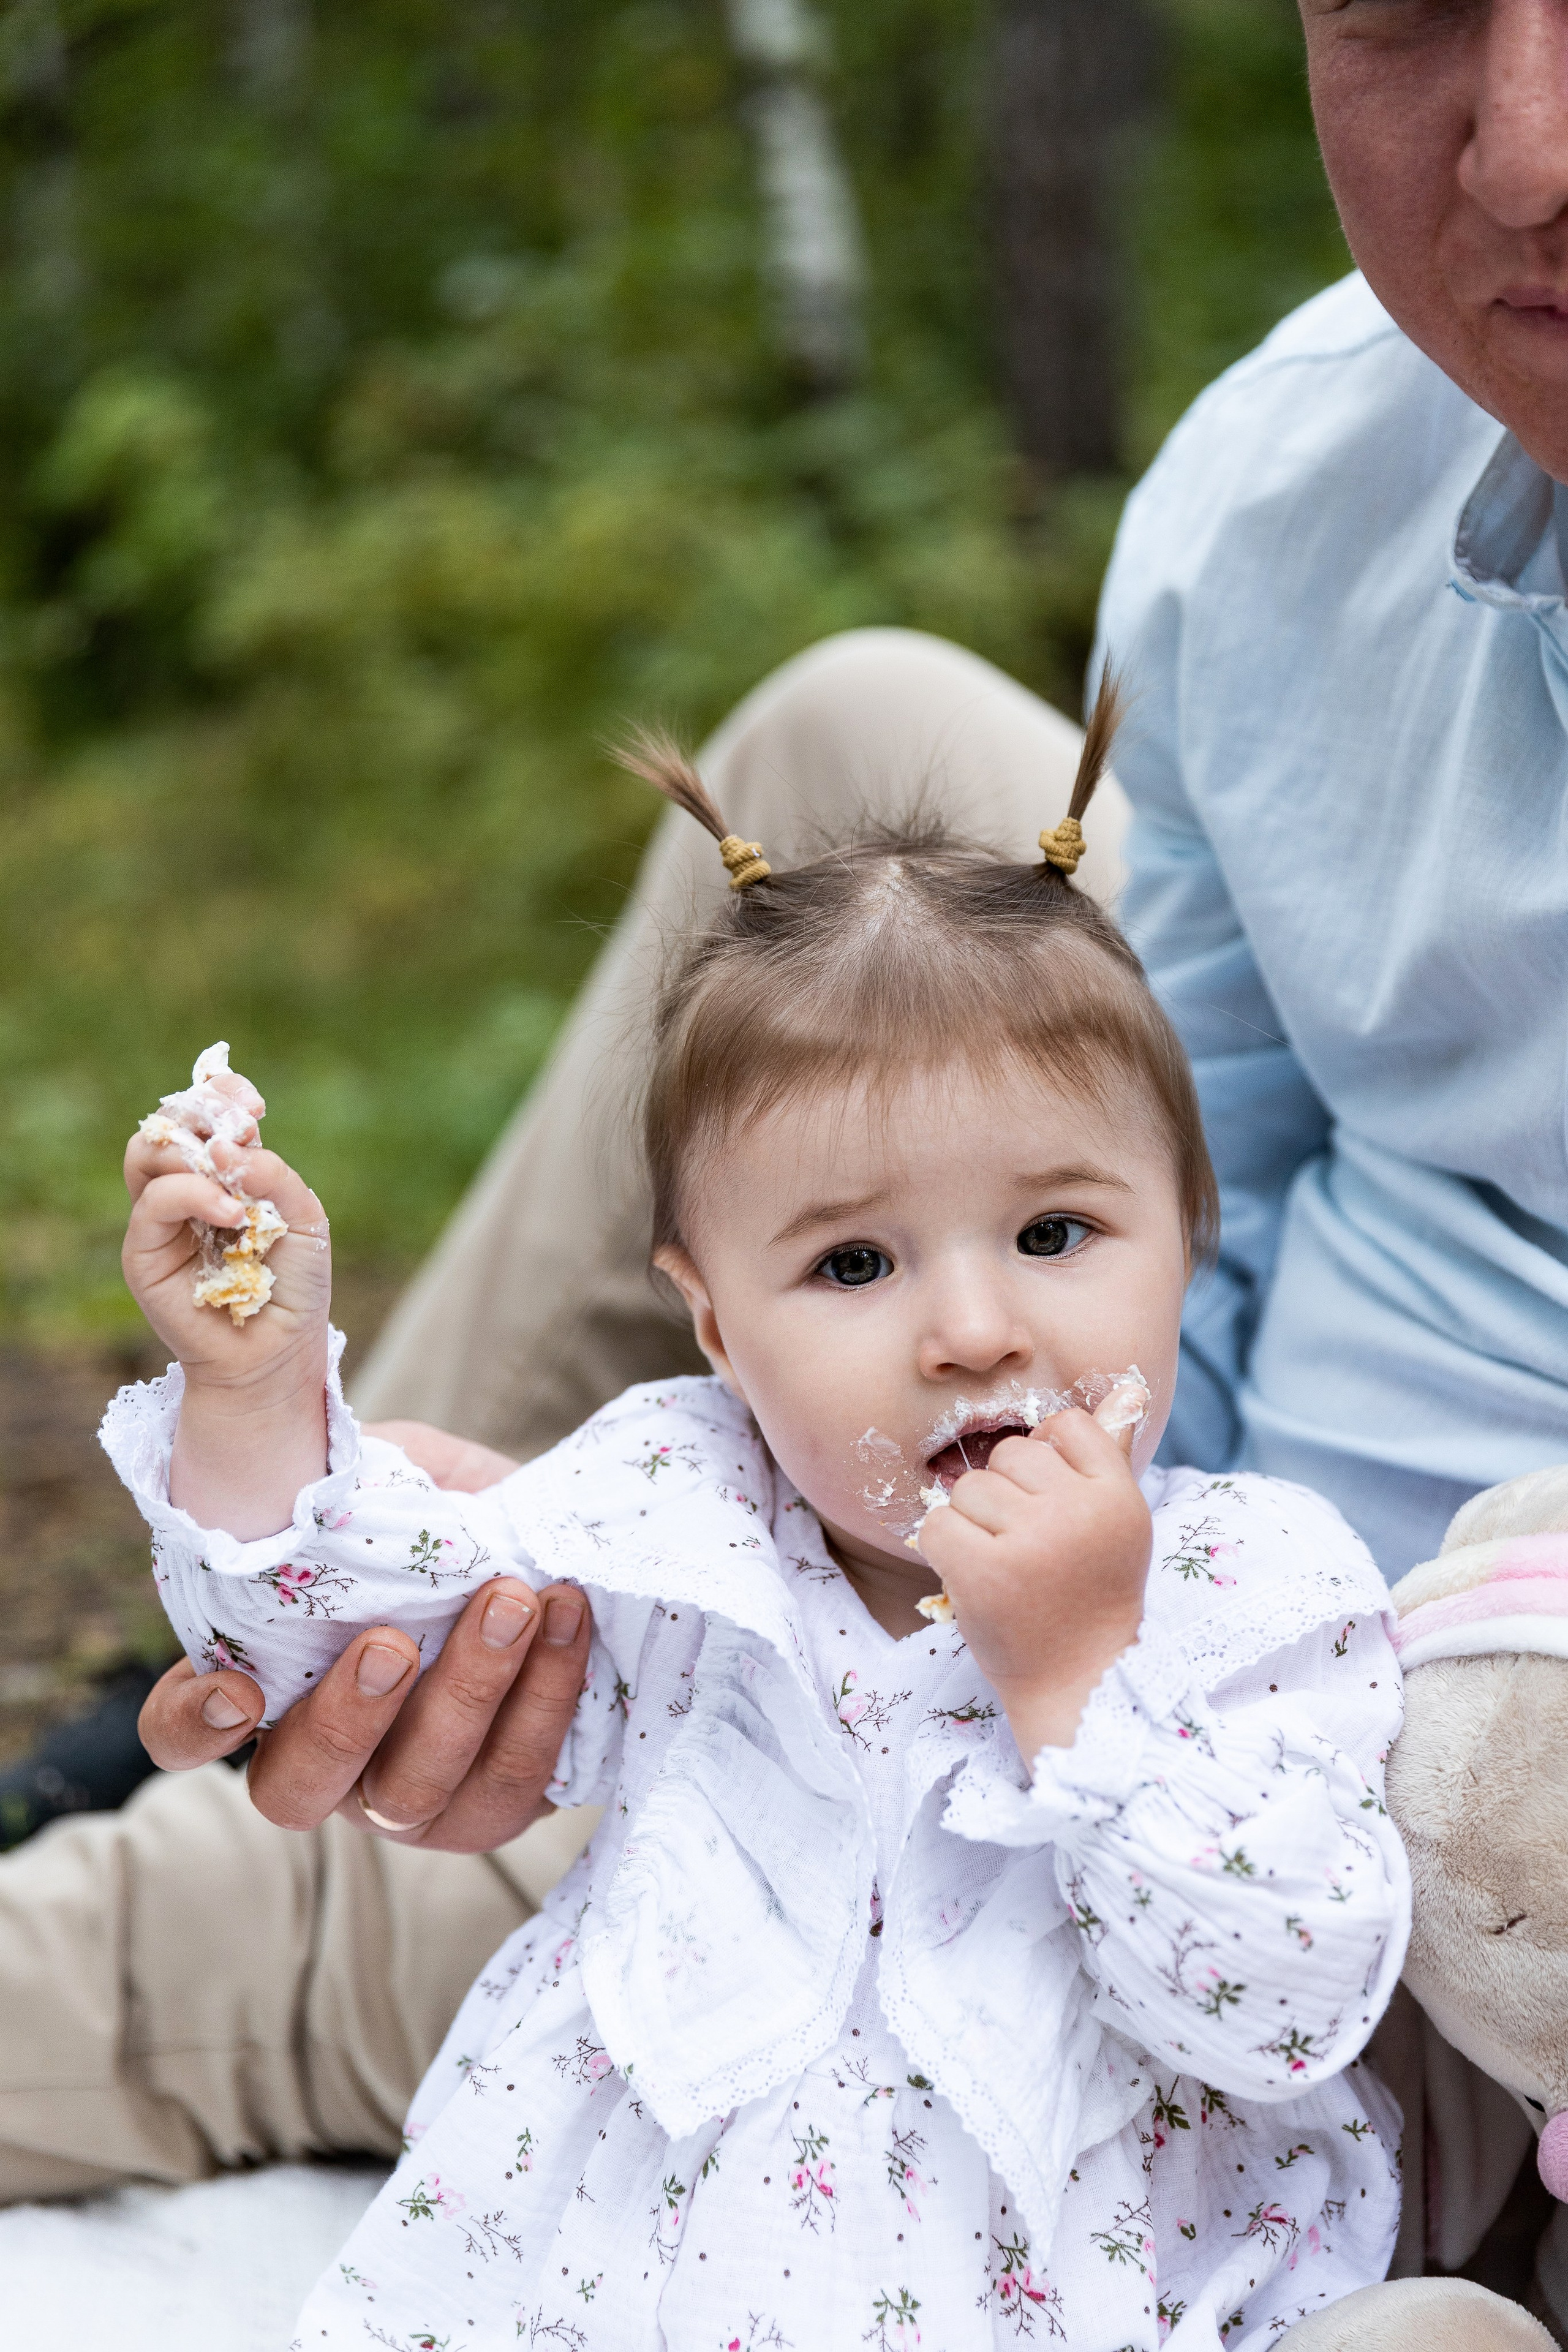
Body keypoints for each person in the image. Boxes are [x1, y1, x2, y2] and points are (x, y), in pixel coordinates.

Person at [0, 0, 1559, 2297]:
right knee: (854, 767)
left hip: (1411, 1800)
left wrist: (1113, 1679)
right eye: (1416, 2)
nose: (1523, 150)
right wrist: (721, 1550)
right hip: (1046, 1578)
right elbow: (1178, 1208)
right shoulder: (1284, 488)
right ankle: (345, 1670)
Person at [105, 709, 1411, 2348]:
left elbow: (1286, 2000)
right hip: (636, 2255)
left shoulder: (1251, 1588)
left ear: (1189, 1241)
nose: (973, 1329)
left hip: (1069, 2269)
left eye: (1058, 1231)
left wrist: (1082, 1684)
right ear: (716, 1326)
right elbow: (342, 1631)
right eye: (854, 1266)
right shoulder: (680, 1513)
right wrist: (253, 1387)